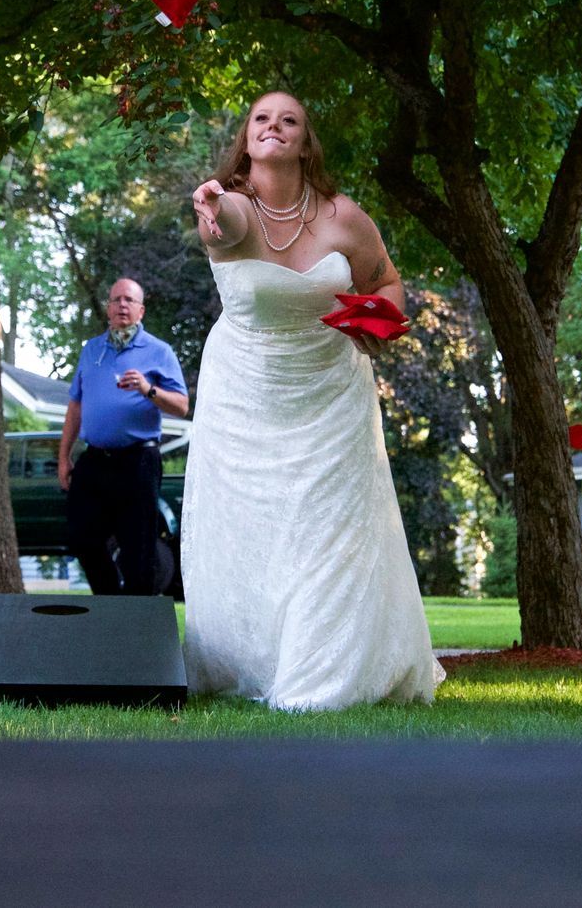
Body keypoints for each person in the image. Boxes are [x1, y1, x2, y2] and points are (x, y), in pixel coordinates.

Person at [180, 91, 443, 710]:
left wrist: (378, 323)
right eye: (261, 120)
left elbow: (386, 281)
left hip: (332, 394)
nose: (274, 127)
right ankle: (248, 658)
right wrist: (208, 205)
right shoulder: (232, 208)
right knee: (255, 533)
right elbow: (227, 226)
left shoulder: (343, 216)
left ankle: (322, 672)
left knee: (328, 532)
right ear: (247, 140)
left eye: (289, 119)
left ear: (305, 141)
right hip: (246, 396)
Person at [57, 279, 189, 595]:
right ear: (108, 308)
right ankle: (109, 600)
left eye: (129, 300)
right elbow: (75, 406)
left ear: (140, 310)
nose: (121, 305)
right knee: (80, 536)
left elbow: (182, 406)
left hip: (138, 461)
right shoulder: (91, 350)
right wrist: (64, 456)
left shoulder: (159, 351)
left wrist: (148, 389)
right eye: (115, 300)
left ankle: (135, 624)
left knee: (137, 549)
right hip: (94, 459)